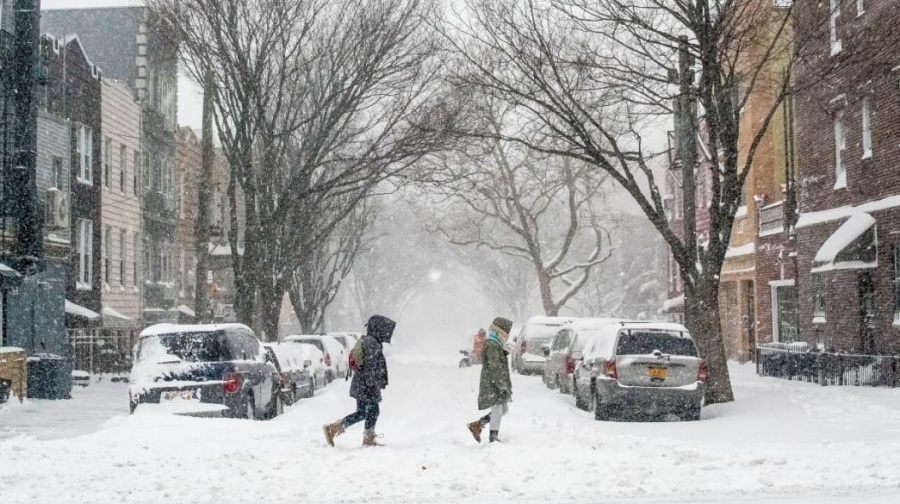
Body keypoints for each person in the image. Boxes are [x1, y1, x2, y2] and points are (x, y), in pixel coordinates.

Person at [323, 315, 396, 447]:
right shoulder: (372, 343)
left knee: (363, 412)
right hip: (366, 384)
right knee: (373, 411)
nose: (387, 332)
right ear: (378, 328)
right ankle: (365, 437)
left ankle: (335, 428)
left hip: (362, 383)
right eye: (385, 329)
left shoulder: (370, 340)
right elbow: (371, 366)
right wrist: (372, 385)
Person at [467, 316, 513, 443]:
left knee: (504, 409)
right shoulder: (492, 344)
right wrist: (502, 385)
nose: (507, 337)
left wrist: (503, 353)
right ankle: (493, 437)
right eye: (506, 334)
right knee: (498, 409)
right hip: (493, 383)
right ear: (501, 332)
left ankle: (478, 424)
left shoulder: (494, 344)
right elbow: (495, 367)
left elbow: (495, 360)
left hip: (493, 382)